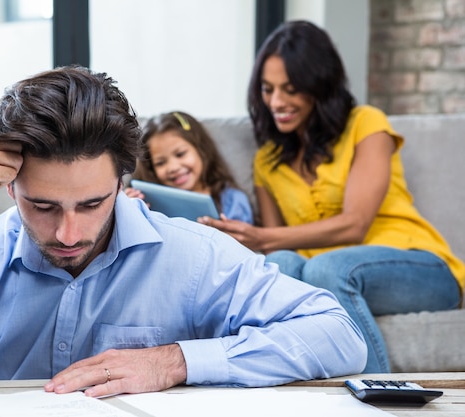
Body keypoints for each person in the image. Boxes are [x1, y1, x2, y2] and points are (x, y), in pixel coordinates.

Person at [0, 65, 366, 397]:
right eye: (43, 205)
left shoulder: (196, 255)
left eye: (92, 203)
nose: (68, 232)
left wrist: (175, 362)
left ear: (123, 181)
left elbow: (339, 335)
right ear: (8, 188)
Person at [199, 21, 465, 373]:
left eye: (290, 89)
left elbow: (355, 225)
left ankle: (377, 402)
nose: (276, 102)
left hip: (418, 265)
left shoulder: (366, 124)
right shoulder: (267, 160)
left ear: (318, 86)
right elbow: (282, 251)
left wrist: (261, 236)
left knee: (328, 269)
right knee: (283, 268)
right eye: (268, 89)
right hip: (322, 273)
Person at [126, 111, 254, 223]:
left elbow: (243, 243)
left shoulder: (231, 199)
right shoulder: (150, 203)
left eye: (180, 154)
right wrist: (125, 210)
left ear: (202, 150)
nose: (173, 167)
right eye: (160, 163)